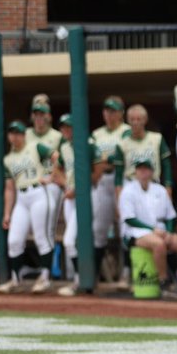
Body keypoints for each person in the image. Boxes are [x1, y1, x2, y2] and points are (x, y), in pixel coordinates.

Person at [53, 114, 112, 297]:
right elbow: (57, 169)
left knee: (71, 240)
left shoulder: (88, 143)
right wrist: (66, 185)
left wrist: (79, 188)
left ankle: (82, 280)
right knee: (74, 241)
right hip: (70, 197)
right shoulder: (64, 147)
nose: (66, 130)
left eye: (69, 127)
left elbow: (99, 169)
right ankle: (85, 279)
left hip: (88, 196)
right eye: (63, 127)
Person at [118, 158, 177, 297]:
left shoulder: (160, 190)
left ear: (152, 172)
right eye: (140, 169)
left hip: (160, 230)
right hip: (135, 232)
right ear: (136, 172)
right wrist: (153, 230)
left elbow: (170, 216)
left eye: (146, 169)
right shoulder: (128, 191)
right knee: (159, 244)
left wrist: (169, 232)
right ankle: (164, 283)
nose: (143, 172)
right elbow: (129, 219)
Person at [0, 121, 56, 293]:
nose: (14, 137)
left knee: (41, 238)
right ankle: (16, 279)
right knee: (14, 240)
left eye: (18, 133)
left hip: (39, 193)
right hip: (21, 198)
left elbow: (55, 156)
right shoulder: (8, 159)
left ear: (24, 135)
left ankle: (45, 278)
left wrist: (50, 176)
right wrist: (7, 213)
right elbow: (9, 188)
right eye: (12, 133)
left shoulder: (35, 147)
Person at [91, 96, 127, 283]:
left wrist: (108, 160)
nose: (109, 114)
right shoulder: (97, 134)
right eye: (106, 111)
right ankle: (94, 274)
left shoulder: (126, 132)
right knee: (98, 229)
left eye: (113, 111)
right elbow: (93, 159)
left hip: (122, 181)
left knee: (126, 227)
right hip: (103, 182)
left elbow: (124, 157)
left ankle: (126, 275)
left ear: (121, 113)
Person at [25, 98, 64, 250]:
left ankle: (49, 265)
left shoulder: (57, 136)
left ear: (49, 117)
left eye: (43, 114)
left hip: (50, 182)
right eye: (36, 114)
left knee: (49, 227)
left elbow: (62, 161)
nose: (39, 118)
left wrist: (53, 177)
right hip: (29, 183)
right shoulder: (25, 134)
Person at [115, 104, 173, 196]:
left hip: (153, 184)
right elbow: (118, 175)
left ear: (145, 120)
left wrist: (168, 188)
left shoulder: (157, 139)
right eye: (132, 119)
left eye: (138, 119)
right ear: (128, 121)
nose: (135, 122)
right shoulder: (122, 144)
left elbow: (166, 166)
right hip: (131, 184)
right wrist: (118, 196)